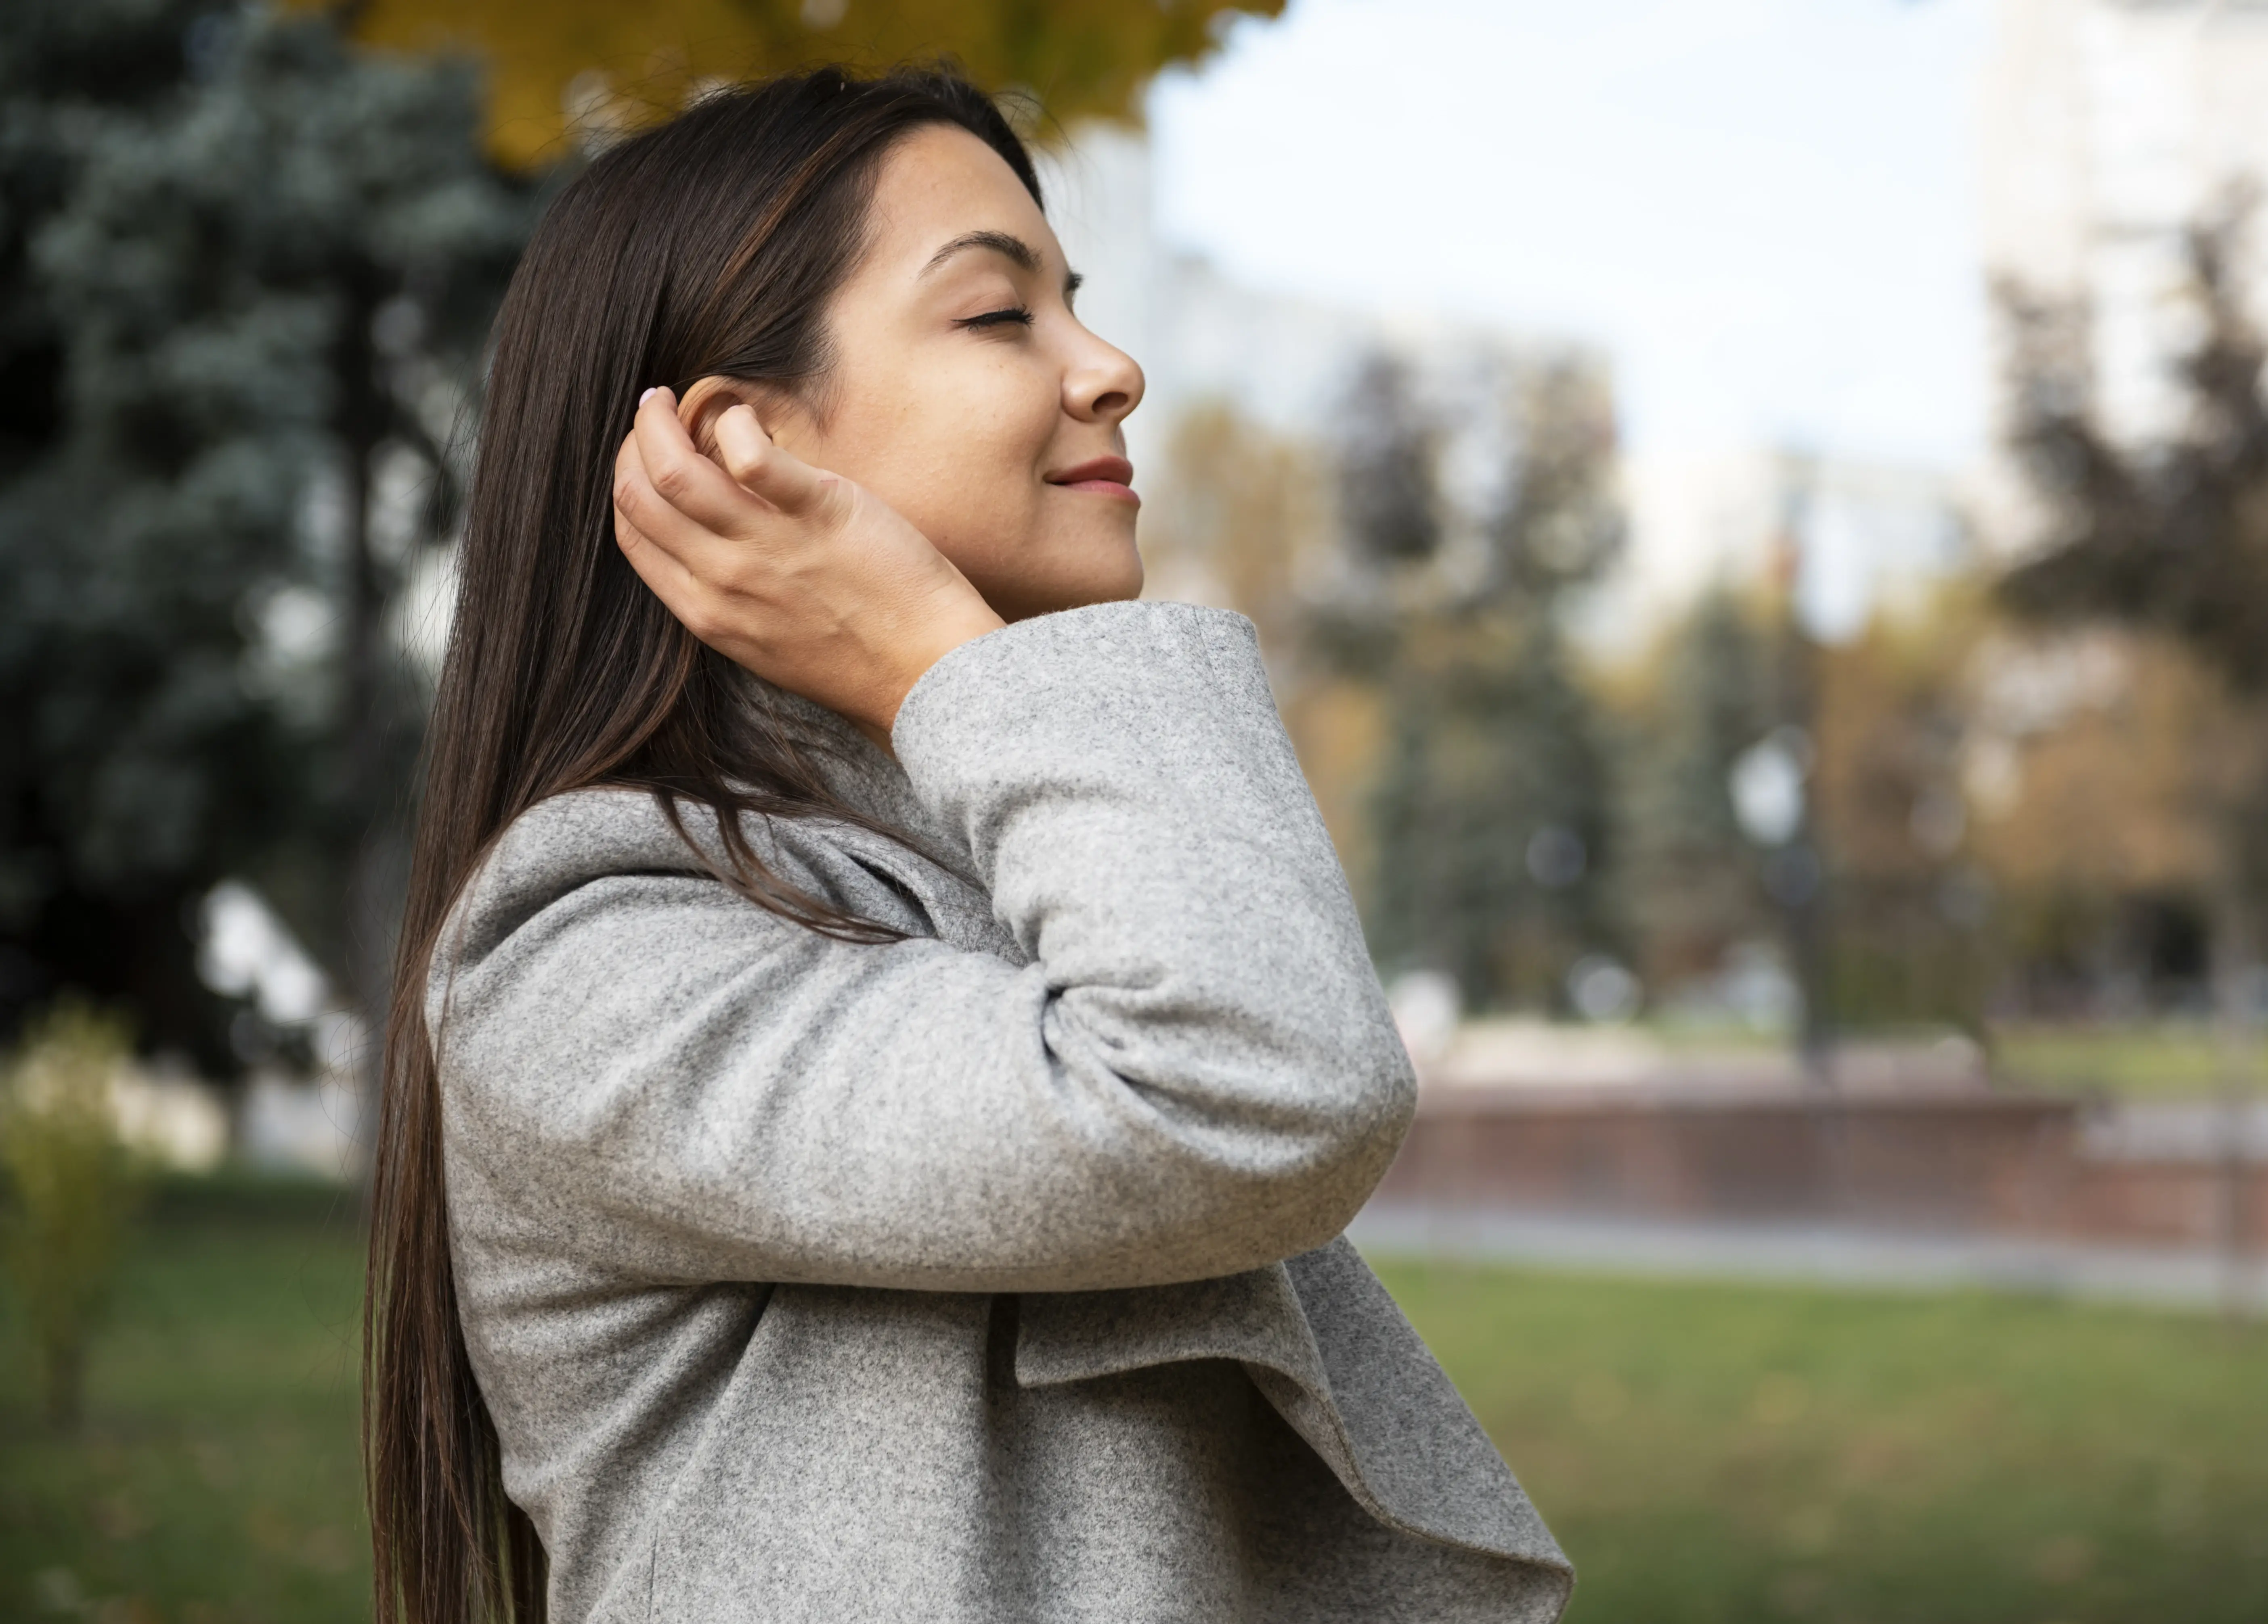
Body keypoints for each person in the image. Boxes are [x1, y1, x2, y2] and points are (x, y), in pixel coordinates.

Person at [365, 65, 1572, 1624]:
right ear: (740, 450)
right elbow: (1256, 1080)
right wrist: (944, 651)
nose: (1113, 368)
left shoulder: (1025, 870)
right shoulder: (587, 951)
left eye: (1079, 302)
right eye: (1003, 317)